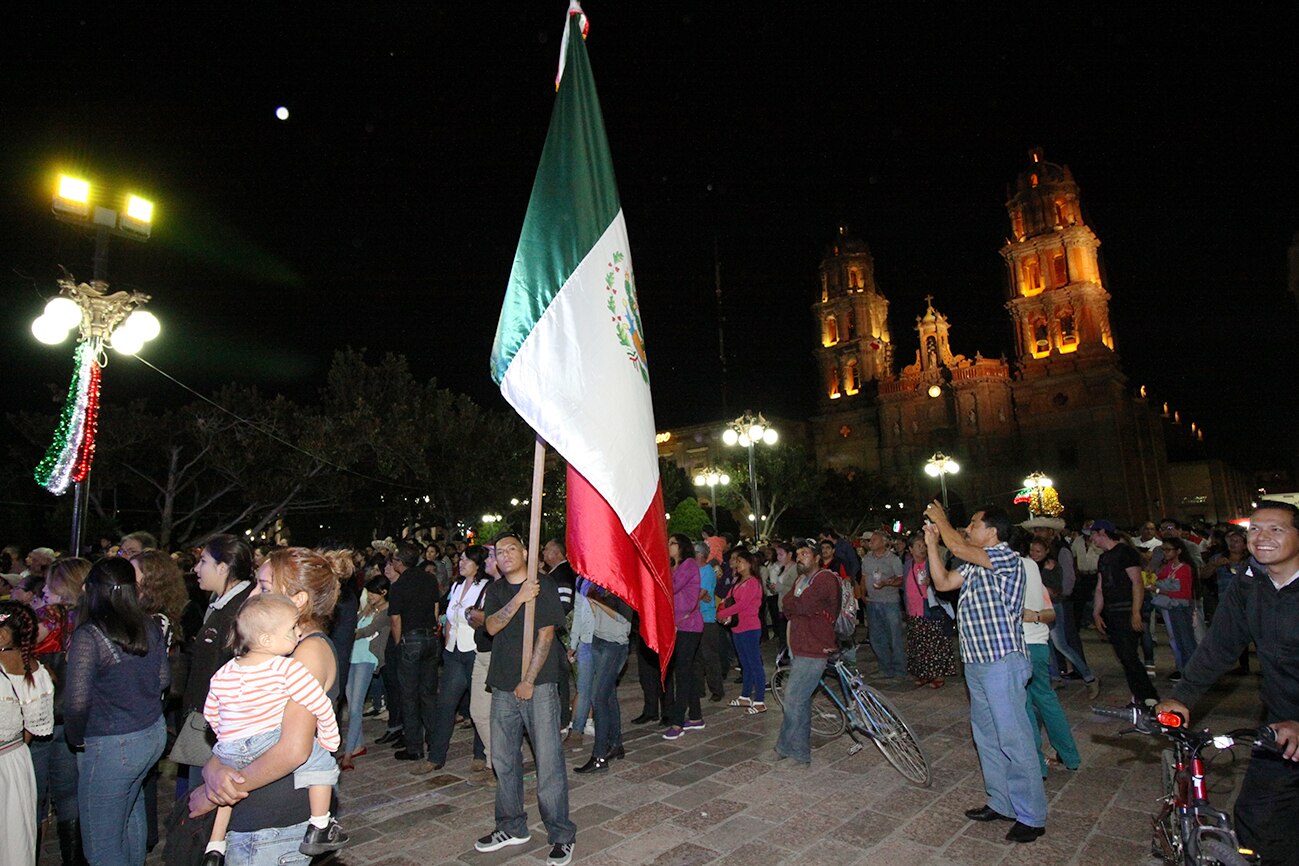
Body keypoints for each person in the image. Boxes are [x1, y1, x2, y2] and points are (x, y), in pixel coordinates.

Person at [1158, 502, 1299, 866]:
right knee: (1256, 816)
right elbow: (1219, 646)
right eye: (1254, 530)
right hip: (1280, 722)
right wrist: (1182, 697)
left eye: (1276, 529)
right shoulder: (1250, 584)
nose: (1261, 538)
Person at [188, 546, 349, 866]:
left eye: (263, 587)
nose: (251, 596)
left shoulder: (308, 653)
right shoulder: (276, 650)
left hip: (271, 820)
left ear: (298, 599)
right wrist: (215, 766)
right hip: (256, 808)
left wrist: (214, 793)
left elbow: (293, 749)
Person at [924, 501, 1047, 844]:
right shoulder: (975, 564)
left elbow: (959, 545)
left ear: (993, 532)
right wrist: (933, 544)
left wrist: (943, 521)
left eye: (975, 524)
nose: (968, 529)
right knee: (987, 736)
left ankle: (1032, 815)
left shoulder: (1006, 557)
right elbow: (943, 581)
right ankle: (1002, 802)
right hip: (976, 661)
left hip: (1001, 661)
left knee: (1014, 738)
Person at [475, 532, 575, 866]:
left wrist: (529, 680)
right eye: (498, 551)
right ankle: (511, 826)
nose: (504, 555)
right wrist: (518, 599)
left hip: (539, 687)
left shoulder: (543, 585)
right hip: (502, 686)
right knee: (504, 761)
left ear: (525, 552)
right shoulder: (498, 590)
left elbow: (546, 635)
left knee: (548, 762)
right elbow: (490, 626)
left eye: (511, 549)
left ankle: (561, 834)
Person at [64, 557, 169, 866]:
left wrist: (76, 738)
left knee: (101, 844)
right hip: (151, 733)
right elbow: (164, 679)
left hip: (113, 743)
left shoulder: (90, 635)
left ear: (90, 590)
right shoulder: (148, 624)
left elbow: (77, 702)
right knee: (130, 814)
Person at [176, 536, 256, 791]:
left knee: (204, 798)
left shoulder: (239, 610)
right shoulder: (218, 603)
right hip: (207, 719)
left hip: (218, 727)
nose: (196, 569)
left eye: (203, 561)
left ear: (224, 567)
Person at [28, 558, 87, 866]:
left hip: (38, 718)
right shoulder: (92, 620)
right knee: (69, 797)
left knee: (32, 798)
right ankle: (73, 860)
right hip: (73, 718)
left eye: (50, 584)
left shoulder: (42, 619)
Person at [762, 540, 839, 766]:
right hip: (800, 646)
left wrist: (796, 605)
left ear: (816, 557)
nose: (801, 556)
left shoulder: (824, 578)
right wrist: (795, 605)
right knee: (800, 701)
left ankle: (786, 748)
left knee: (793, 699)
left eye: (805, 553)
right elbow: (786, 605)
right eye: (798, 553)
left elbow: (802, 605)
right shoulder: (800, 579)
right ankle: (799, 752)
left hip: (816, 648)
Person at [1017, 543, 1081, 776]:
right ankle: (1070, 755)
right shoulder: (1034, 571)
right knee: (1047, 701)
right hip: (1039, 645)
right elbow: (1050, 613)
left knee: (1023, 706)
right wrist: (1033, 616)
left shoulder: (1008, 568)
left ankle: (1037, 765)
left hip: (1020, 646)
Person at [1, 601, 55, 866]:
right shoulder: (36, 670)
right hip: (15, 760)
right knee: (13, 836)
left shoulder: (28, 671)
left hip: (8, 760)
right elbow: (31, 728)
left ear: (3, 635)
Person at [427, 545, 490, 773]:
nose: (461, 563)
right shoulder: (455, 585)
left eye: (466, 560)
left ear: (478, 564)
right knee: (445, 704)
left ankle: (480, 754)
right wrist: (446, 645)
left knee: (478, 707)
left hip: (474, 651)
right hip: (453, 651)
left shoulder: (485, 587)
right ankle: (435, 756)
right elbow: (450, 619)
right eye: (460, 559)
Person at [1089, 520, 1159, 706]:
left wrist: (1135, 612)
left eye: (1094, 535)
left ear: (1103, 532)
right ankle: (1139, 696)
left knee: (1129, 656)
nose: (1092, 539)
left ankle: (1148, 696)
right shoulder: (1104, 557)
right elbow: (1100, 588)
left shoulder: (1125, 553)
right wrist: (1096, 613)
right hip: (1111, 612)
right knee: (1124, 657)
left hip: (1126, 610)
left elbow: (1137, 582)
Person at [388, 543, 442, 770]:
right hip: (430, 637)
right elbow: (436, 608)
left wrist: (399, 642)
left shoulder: (399, 586)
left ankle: (414, 746)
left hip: (410, 639)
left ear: (400, 562)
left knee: (409, 695)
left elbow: (396, 619)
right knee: (428, 693)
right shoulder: (429, 579)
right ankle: (433, 739)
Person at [573, 583, 633, 774]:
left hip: (615, 644)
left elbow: (623, 617)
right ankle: (615, 744)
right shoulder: (600, 584)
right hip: (599, 640)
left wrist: (596, 600)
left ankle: (599, 757)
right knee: (607, 696)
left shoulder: (625, 585)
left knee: (598, 698)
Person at [1028, 538, 1099, 698]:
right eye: (1032, 550)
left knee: (1060, 644)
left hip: (1053, 606)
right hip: (1039, 607)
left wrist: (1043, 576)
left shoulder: (1052, 566)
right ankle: (1055, 677)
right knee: (1047, 643)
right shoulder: (1031, 565)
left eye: (1038, 551)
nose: (1034, 554)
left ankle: (1089, 677)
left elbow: (1056, 590)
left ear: (1046, 551)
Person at [342, 575, 390, 770]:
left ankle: (348, 753)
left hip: (367, 659)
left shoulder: (386, 611)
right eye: (368, 592)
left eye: (373, 592)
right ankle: (358, 745)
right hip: (353, 657)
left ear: (384, 593)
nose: (369, 596)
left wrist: (345, 632)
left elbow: (367, 630)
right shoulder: (367, 609)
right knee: (351, 701)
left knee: (355, 707)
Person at [662, 533, 705, 740]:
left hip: (689, 625)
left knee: (683, 673)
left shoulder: (688, 565)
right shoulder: (675, 567)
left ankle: (678, 722)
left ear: (682, 546)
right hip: (680, 626)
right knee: (686, 670)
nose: (668, 546)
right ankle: (696, 717)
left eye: (672, 543)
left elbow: (671, 588)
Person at [902, 534, 957, 688]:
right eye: (918, 545)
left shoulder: (932, 563)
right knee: (918, 644)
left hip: (930, 609)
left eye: (923, 545)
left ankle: (938, 674)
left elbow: (943, 580)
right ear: (910, 549)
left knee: (934, 643)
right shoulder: (907, 565)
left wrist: (931, 582)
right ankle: (924, 673)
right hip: (913, 611)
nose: (922, 548)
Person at [716, 547, 765, 713]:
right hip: (738, 627)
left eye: (741, 561)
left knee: (754, 663)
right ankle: (745, 697)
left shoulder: (752, 582)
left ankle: (759, 701)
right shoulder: (738, 582)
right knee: (745, 663)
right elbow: (727, 598)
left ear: (750, 564)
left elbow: (742, 605)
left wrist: (723, 613)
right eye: (737, 561)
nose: (737, 564)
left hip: (750, 628)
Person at [861, 531, 906, 680]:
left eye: (874, 539)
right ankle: (885, 668)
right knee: (876, 637)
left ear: (883, 542)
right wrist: (862, 595)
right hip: (873, 602)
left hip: (889, 602)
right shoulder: (866, 559)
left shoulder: (893, 559)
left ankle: (900, 669)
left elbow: (900, 580)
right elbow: (864, 578)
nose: (870, 542)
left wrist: (886, 583)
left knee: (894, 636)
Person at [1151, 538, 1197, 682]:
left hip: (1181, 607)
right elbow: (1158, 578)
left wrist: (1158, 590)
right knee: (1178, 640)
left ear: (1178, 551)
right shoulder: (1170, 566)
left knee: (1186, 640)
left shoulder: (1184, 568)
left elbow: (1184, 593)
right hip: (1173, 606)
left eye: (1168, 550)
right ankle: (1184, 670)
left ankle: (1192, 672)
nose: (1165, 553)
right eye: (1163, 550)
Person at [694, 542, 725, 702]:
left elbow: (700, 594)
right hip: (695, 618)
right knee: (697, 657)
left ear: (699, 554)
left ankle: (717, 690)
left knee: (709, 656)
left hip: (707, 619)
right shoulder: (694, 571)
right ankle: (699, 689)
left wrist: (694, 595)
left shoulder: (707, 571)